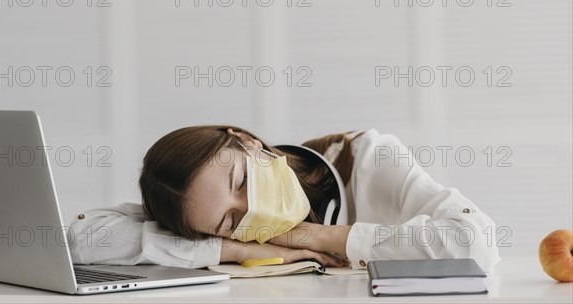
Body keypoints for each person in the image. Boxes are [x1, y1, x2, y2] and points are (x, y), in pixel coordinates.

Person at [68, 126, 501, 272]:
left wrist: (318, 238)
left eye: (240, 181)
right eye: (229, 219)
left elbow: (477, 242)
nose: (250, 209)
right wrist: (229, 248)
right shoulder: (195, 210)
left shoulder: (368, 157)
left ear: (249, 142)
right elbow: (81, 240)